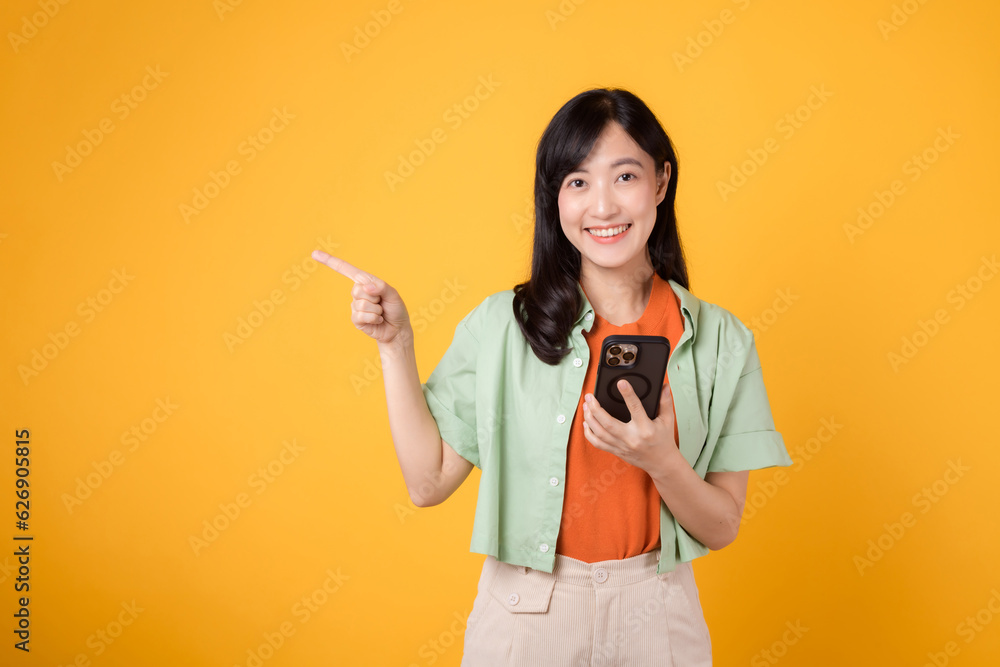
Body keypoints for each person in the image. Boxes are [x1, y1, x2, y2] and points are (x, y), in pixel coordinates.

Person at [313, 87, 793, 665]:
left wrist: (661, 459)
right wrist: (396, 346)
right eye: (577, 182)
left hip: (657, 615)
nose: (603, 208)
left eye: (624, 177)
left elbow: (721, 526)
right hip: (525, 614)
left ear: (661, 183)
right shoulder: (501, 326)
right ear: (555, 198)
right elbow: (428, 483)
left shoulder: (721, 341)